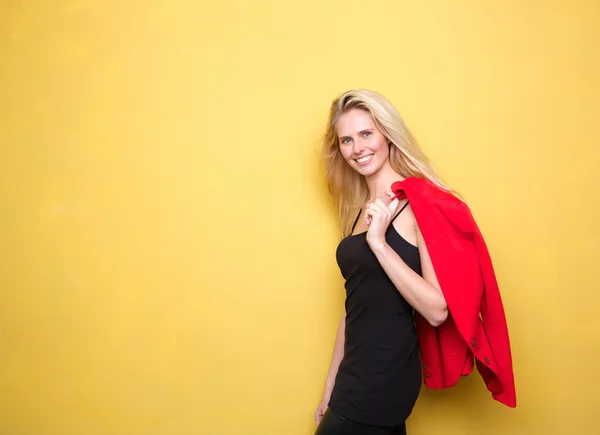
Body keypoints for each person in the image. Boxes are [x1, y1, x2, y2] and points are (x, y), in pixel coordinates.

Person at [313, 89, 454, 435]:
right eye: (347, 140)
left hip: (385, 375)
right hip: (354, 376)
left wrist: (379, 243)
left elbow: (437, 310)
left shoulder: (418, 204)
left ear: (387, 134)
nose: (357, 148)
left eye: (366, 134)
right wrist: (331, 386)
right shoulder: (357, 210)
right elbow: (354, 307)